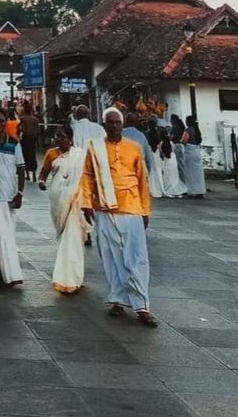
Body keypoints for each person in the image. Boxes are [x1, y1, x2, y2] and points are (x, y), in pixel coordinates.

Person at [81, 108, 157, 326]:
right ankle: (118, 300)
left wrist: (145, 210)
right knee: (112, 258)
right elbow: (87, 176)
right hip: (104, 209)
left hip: (131, 208)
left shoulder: (133, 148)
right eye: (111, 122)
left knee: (137, 258)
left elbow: (143, 181)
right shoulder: (95, 148)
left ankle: (142, 305)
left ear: (122, 125)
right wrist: (86, 203)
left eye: (118, 123)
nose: (115, 126)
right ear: (104, 124)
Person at [38, 125, 86, 294]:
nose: (59, 139)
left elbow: (85, 177)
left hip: (74, 202)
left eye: (62, 136)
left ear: (70, 139)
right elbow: (43, 173)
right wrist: (41, 182)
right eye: (57, 136)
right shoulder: (51, 154)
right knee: (63, 237)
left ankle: (73, 278)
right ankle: (66, 276)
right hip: (58, 201)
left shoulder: (79, 155)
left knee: (73, 238)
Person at [0, 107, 25, 289]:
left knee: (6, 237)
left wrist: (20, 193)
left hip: (8, 198)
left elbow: (21, 169)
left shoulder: (14, 144)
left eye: (2, 121)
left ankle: (9, 274)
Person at [183, 116, 206, 198]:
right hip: (196, 151)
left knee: (190, 173)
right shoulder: (197, 130)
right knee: (198, 173)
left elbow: (184, 141)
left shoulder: (188, 130)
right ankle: (200, 190)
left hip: (190, 152)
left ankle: (192, 191)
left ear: (188, 122)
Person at [19, 101, 40, 182]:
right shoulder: (35, 119)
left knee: (25, 156)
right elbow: (37, 130)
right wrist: (37, 140)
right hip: (32, 139)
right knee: (32, 156)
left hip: (25, 139)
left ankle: (27, 175)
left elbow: (22, 129)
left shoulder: (23, 119)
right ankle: (34, 175)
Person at [169, 113, 187, 182]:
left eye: (171, 120)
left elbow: (171, 137)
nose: (170, 121)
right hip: (180, 146)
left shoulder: (175, 127)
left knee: (180, 165)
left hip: (177, 146)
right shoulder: (180, 127)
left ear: (173, 120)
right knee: (181, 164)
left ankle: (183, 180)